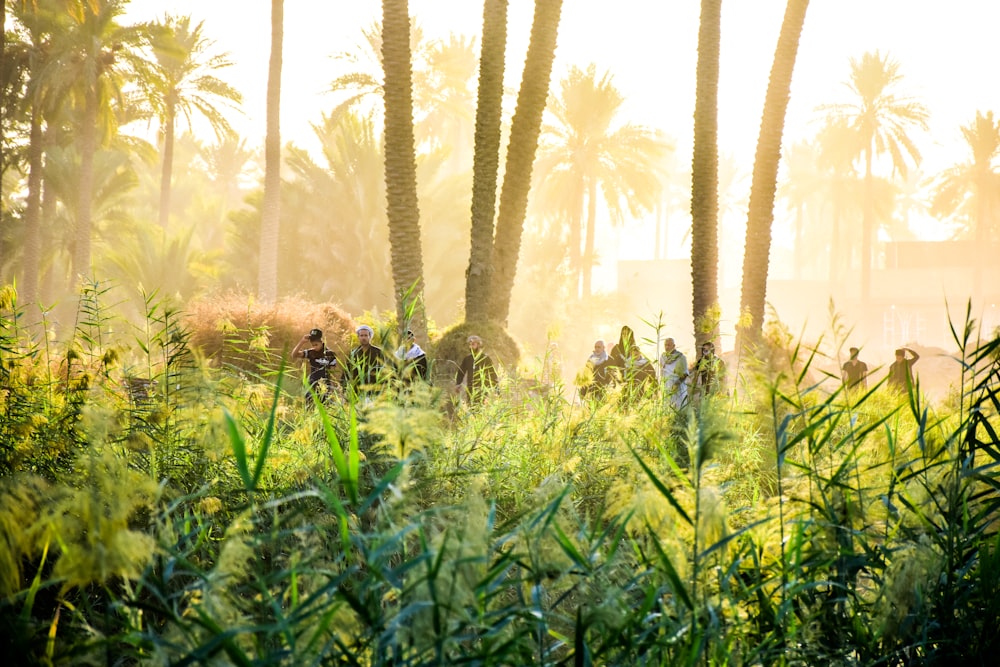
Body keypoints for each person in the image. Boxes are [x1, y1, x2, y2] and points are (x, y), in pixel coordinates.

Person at [291, 328, 338, 405]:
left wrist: (333, 389)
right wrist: (302, 342)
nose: (315, 347)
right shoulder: (311, 352)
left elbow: (333, 373)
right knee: (309, 408)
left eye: (316, 345)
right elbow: (294, 355)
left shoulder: (330, 354)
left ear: (321, 342)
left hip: (325, 386)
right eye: (313, 345)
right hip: (312, 385)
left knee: (325, 408)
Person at [342, 324, 388, 400]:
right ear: (358, 337)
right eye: (361, 335)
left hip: (373, 389)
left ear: (370, 337)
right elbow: (347, 371)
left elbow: (384, 370)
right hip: (357, 390)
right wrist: (344, 386)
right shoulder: (353, 353)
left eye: (366, 335)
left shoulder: (378, 352)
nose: (364, 338)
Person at [455, 334, 498, 405]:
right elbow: (461, 372)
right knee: (471, 408)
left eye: (473, 344)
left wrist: (496, 389)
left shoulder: (485, 359)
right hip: (470, 390)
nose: (471, 346)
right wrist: (458, 384)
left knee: (481, 409)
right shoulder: (467, 359)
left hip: (483, 390)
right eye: (470, 344)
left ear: (478, 344)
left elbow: (492, 374)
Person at [659, 337, 688, 409]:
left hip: (678, 385)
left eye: (669, 345)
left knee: (679, 407)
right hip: (666, 385)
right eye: (665, 345)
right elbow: (662, 371)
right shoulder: (662, 357)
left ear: (674, 346)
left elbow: (685, 374)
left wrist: (676, 384)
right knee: (667, 407)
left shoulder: (681, 357)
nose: (667, 347)